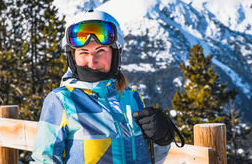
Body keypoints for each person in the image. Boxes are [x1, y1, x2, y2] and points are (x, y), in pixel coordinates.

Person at [30, 10, 178, 163]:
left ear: (115, 53)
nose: (92, 61)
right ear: (72, 57)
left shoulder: (131, 97)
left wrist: (162, 139)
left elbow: (151, 159)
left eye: (100, 51)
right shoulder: (62, 101)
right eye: (83, 52)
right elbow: (43, 160)